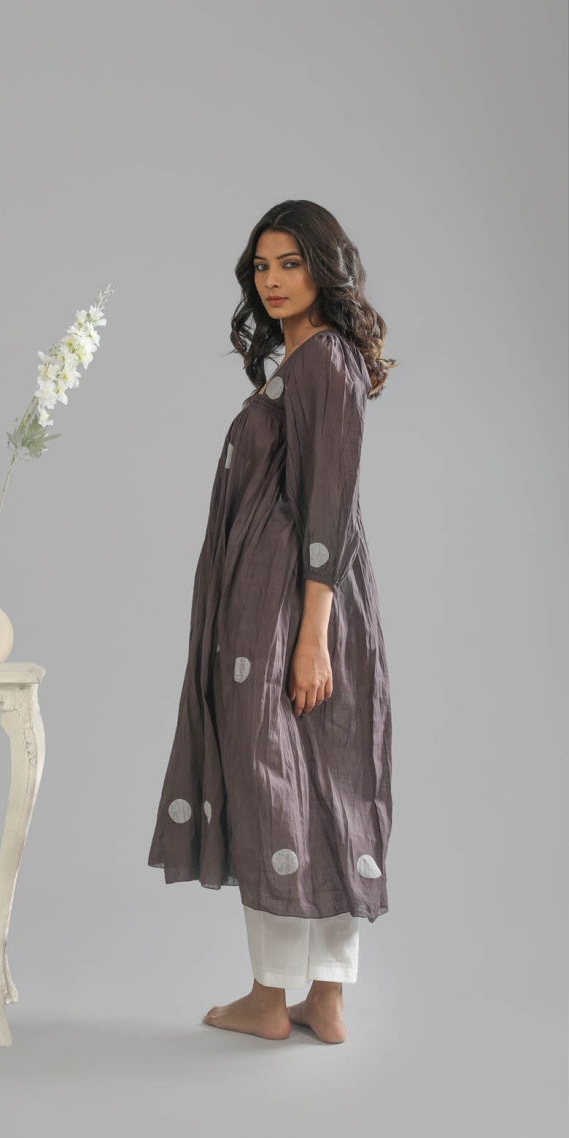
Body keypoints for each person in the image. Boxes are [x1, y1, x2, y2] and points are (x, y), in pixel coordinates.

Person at [147, 199, 396, 1045]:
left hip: (293, 607)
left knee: (277, 782)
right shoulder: (305, 360)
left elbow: (332, 499)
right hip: (285, 602)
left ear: (325, 267)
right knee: (320, 781)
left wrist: (311, 633)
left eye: (290, 263)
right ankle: (323, 998)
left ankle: (269, 997)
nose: (273, 280)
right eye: (262, 266)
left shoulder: (324, 361)